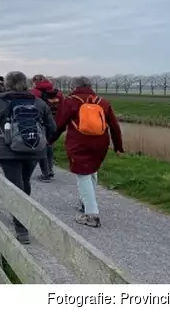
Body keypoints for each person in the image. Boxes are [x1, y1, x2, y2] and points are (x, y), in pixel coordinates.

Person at [0, 71, 56, 244]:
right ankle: (22, 218)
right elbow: (52, 127)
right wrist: (43, 141)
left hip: (7, 150)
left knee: (15, 185)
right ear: (26, 83)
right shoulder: (38, 102)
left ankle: (22, 228)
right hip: (34, 149)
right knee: (24, 182)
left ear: (6, 84)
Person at [49, 76, 124, 228]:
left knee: (82, 175)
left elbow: (59, 124)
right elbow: (114, 126)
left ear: (73, 87)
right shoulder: (102, 102)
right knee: (92, 170)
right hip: (101, 143)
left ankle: (91, 214)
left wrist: (49, 140)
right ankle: (85, 202)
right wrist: (118, 146)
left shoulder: (70, 101)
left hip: (79, 143)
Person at [30, 75, 65, 181]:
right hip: (54, 122)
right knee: (49, 145)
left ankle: (46, 173)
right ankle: (50, 169)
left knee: (41, 147)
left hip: (40, 123)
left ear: (35, 82)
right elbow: (63, 108)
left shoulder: (34, 92)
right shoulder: (58, 93)